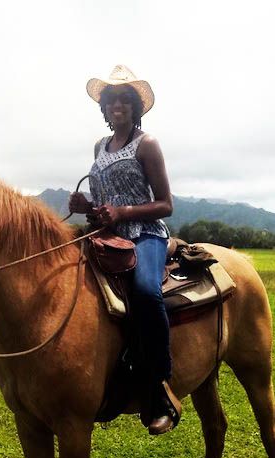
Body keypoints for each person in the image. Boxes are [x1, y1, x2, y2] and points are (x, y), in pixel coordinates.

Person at [69, 65, 180, 435]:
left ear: (135, 107)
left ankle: (161, 390)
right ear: (104, 108)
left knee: (147, 293)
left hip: (145, 233)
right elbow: (104, 199)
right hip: (106, 234)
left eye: (124, 101)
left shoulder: (146, 145)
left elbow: (166, 203)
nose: (117, 106)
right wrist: (88, 206)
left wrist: (123, 212)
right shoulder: (100, 147)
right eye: (111, 101)